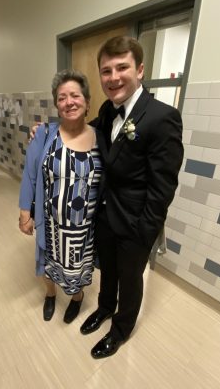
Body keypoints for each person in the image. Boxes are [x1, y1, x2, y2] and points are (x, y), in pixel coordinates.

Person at [79, 36, 184, 358]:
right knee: (107, 268)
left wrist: (145, 232)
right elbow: (87, 129)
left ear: (139, 70)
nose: (113, 78)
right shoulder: (108, 111)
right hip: (107, 213)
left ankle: (121, 329)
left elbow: (163, 185)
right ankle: (105, 307)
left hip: (137, 221)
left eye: (121, 67)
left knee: (130, 276)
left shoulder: (161, 117)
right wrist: (51, 130)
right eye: (106, 71)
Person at [19, 70, 103, 323]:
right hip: (51, 223)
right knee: (48, 263)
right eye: (62, 97)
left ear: (87, 102)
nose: (69, 102)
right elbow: (29, 176)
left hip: (85, 228)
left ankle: (77, 299)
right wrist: (25, 213)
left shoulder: (102, 138)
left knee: (79, 268)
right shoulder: (44, 134)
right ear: (57, 104)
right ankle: (50, 295)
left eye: (75, 95)